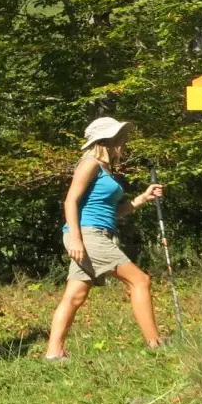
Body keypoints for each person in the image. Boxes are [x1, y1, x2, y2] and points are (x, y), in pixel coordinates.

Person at [45, 117, 165, 360]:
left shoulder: (105, 169)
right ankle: (156, 344)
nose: (124, 144)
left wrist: (142, 198)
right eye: (120, 139)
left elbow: (114, 212)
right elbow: (70, 200)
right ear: (106, 141)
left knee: (75, 295)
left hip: (94, 234)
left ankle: (54, 353)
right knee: (139, 281)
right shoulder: (90, 163)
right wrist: (77, 240)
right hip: (88, 236)